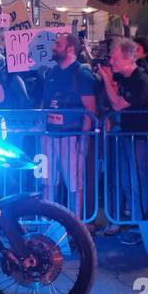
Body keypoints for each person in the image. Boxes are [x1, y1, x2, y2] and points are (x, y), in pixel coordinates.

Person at [98, 35, 148, 244]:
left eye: (115, 58)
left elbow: (118, 105)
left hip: (141, 137)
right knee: (128, 181)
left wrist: (106, 81)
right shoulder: (126, 77)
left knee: (137, 181)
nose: (111, 62)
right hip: (129, 136)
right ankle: (138, 223)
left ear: (128, 58)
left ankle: (142, 226)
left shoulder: (141, 80)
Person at [40, 32, 98, 218]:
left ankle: (76, 225)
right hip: (50, 136)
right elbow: (45, 104)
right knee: (48, 182)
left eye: (58, 44)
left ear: (70, 49)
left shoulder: (82, 73)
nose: (53, 47)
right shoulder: (51, 72)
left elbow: (90, 109)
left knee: (74, 184)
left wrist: (83, 140)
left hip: (72, 137)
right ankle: (48, 225)